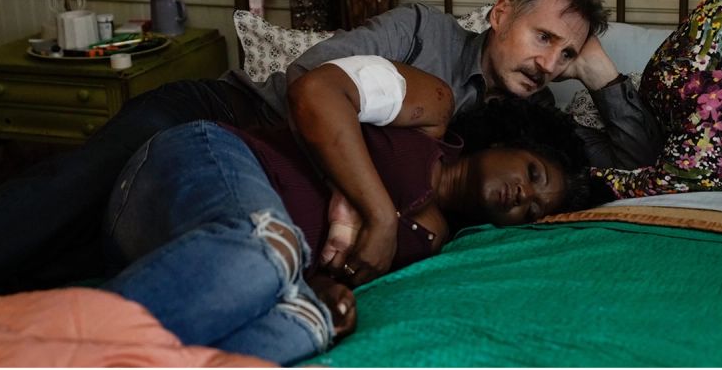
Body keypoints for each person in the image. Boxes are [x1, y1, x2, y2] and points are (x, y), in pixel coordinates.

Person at [0, 0, 660, 293]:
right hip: (226, 117)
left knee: (86, 258)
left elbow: (634, 158)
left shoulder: (524, 130)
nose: (549, 64)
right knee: (67, 193)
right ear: (500, 13)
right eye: (543, 38)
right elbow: (311, 82)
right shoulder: (422, 32)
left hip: (275, 188)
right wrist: (368, 197)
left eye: (566, 54)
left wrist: (599, 72)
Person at [99, 75, 592, 365]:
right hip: (198, 163)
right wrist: (378, 215)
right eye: (532, 172)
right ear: (509, 141)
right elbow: (318, 91)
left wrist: (322, 288)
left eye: (534, 208)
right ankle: (63, 338)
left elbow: (323, 266)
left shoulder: (430, 242)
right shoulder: (431, 113)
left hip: (199, 250)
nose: (524, 195)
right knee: (268, 252)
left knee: (302, 327)